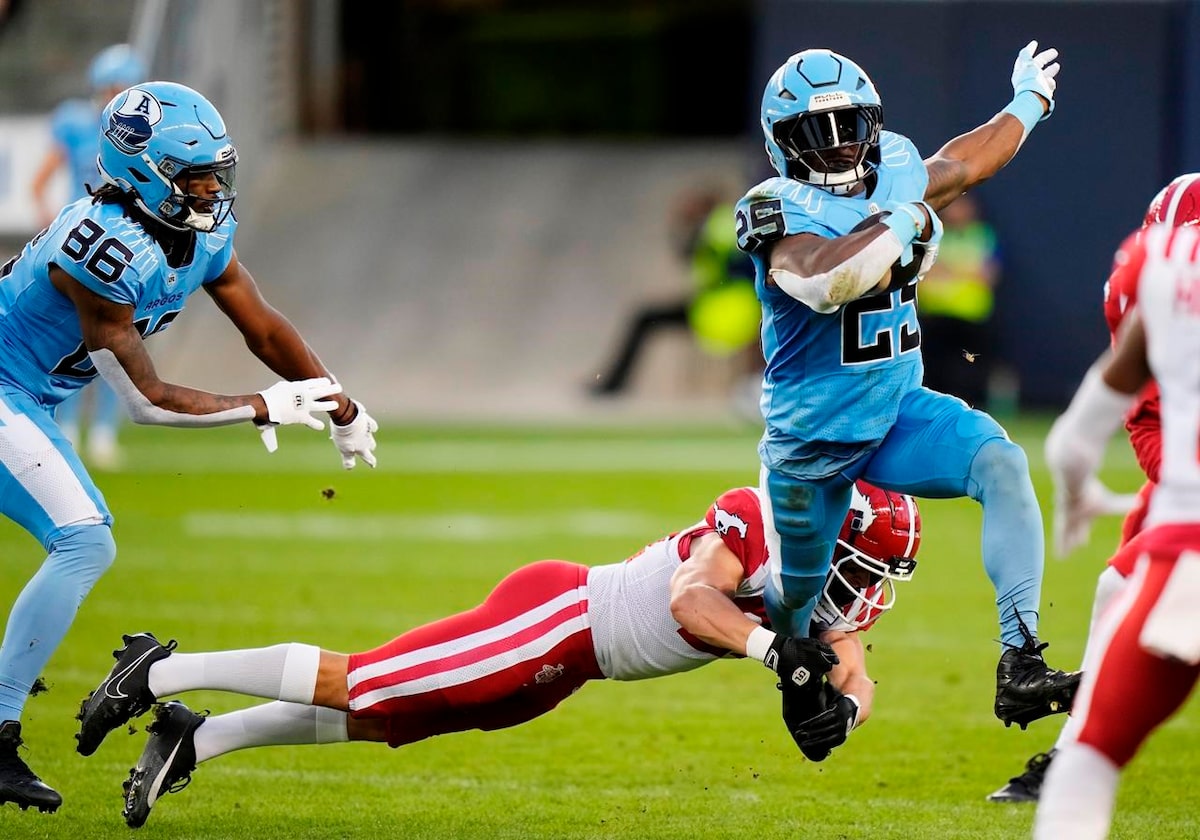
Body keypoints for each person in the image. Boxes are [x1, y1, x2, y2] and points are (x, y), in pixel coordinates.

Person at [74, 480, 921, 827]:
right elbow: (692, 603)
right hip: (557, 616)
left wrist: (845, 710)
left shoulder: (824, 591)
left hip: (576, 665)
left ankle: (200, 737)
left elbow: (852, 663)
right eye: (864, 567)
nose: (866, 589)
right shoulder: (760, 520)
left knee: (394, 722)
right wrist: (774, 652)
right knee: (362, 683)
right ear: (831, 535)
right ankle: (158, 669)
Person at [0, 81, 379, 814]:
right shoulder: (104, 247)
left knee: (84, 539)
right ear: (142, 172)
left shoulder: (197, 232)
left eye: (216, 172)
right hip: (4, 386)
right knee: (84, 539)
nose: (210, 189)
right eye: (194, 175)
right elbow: (144, 401)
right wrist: (262, 405)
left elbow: (262, 325)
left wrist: (339, 400)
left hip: (27, 397)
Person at [732, 42, 1078, 730]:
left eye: (850, 125)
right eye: (817, 131)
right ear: (781, 143)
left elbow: (967, 162)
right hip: (812, 441)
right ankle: (799, 687)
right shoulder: (775, 207)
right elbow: (826, 281)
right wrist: (903, 220)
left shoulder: (895, 170)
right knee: (794, 604)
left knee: (1001, 462)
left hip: (896, 413)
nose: (839, 145)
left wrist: (1029, 102)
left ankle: (1020, 663)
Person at [987, 172, 1200, 803]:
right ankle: (1072, 751)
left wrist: (1081, 490)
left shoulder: (1158, 274)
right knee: (1118, 587)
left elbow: (1081, 439)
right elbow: (1147, 420)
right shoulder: (1161, 291)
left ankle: (1076, 755)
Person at [1031, 222, 1200, 840]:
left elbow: (1072, 443)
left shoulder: (1167, 257)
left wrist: (1078, 495)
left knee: (1089, 758)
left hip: (1186, 564)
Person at [30, 46, 149, 470]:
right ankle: (64, 430)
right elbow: (39, 183)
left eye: (122, 87)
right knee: (68, 344)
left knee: (118, 345)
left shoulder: (144, 136)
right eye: (111, 86)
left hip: (123, 252)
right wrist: (52, 232)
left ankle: (102, 434)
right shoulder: (76, 122)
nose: (114, 94)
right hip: (77, 250)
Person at [589, 187, 760, 397]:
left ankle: (613, 384)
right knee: (647, 317)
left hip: (724, 310)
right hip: (734, 307)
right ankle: (613, 384)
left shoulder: (716, 227)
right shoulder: (729, 222)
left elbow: (718, 260)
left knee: (645, 318)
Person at [915, 192, 1001, 408]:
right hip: (935, 316)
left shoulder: (983, 235)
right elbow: (922, 274)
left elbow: (989, 274)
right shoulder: (936, 235)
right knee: (933, 373)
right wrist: (966, 270)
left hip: (970, 318)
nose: (956, 212)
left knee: (966, 372)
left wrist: (948, 271)